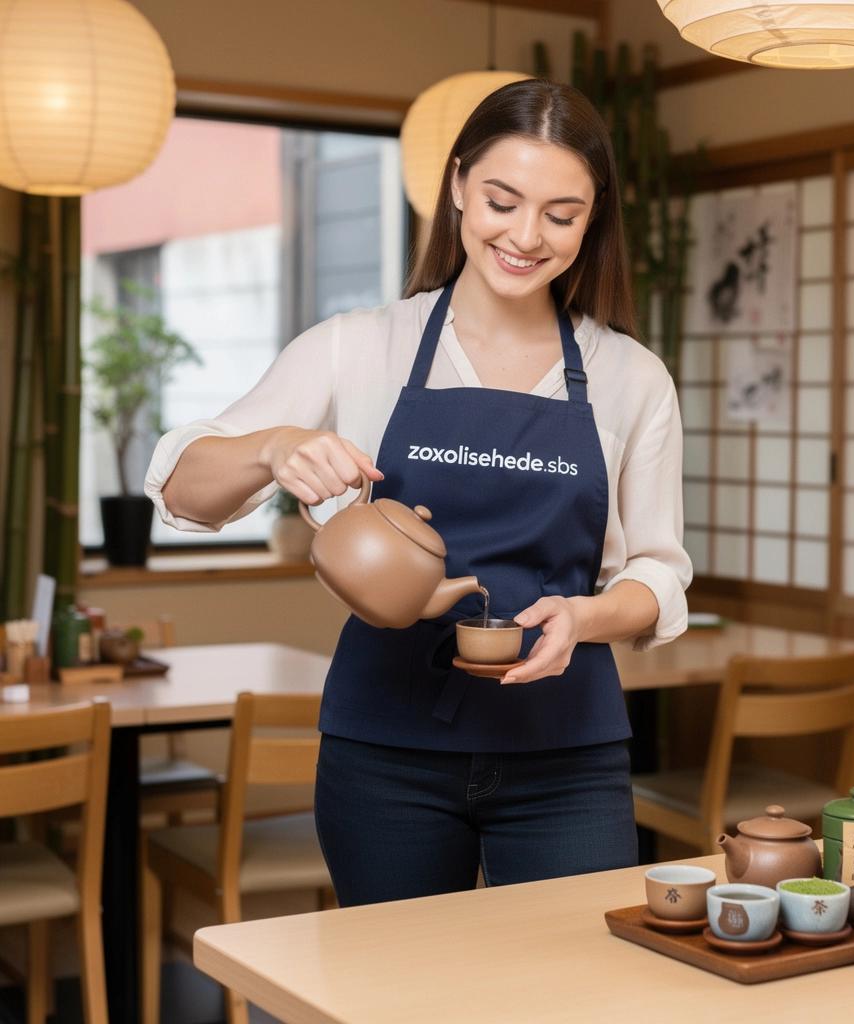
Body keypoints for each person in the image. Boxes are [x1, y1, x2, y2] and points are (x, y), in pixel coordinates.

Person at [147, 78, 692, 906]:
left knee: (571, 990)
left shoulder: (630, 377)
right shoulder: (359, 348)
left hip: (567, 752)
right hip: (384, 754)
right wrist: (274, 446)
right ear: (458, 186)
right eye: (502, 201)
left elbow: (659, 576)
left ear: (593, 218)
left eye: (560, 214)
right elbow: (185, 492)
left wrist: (583, 618)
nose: (524, 236)